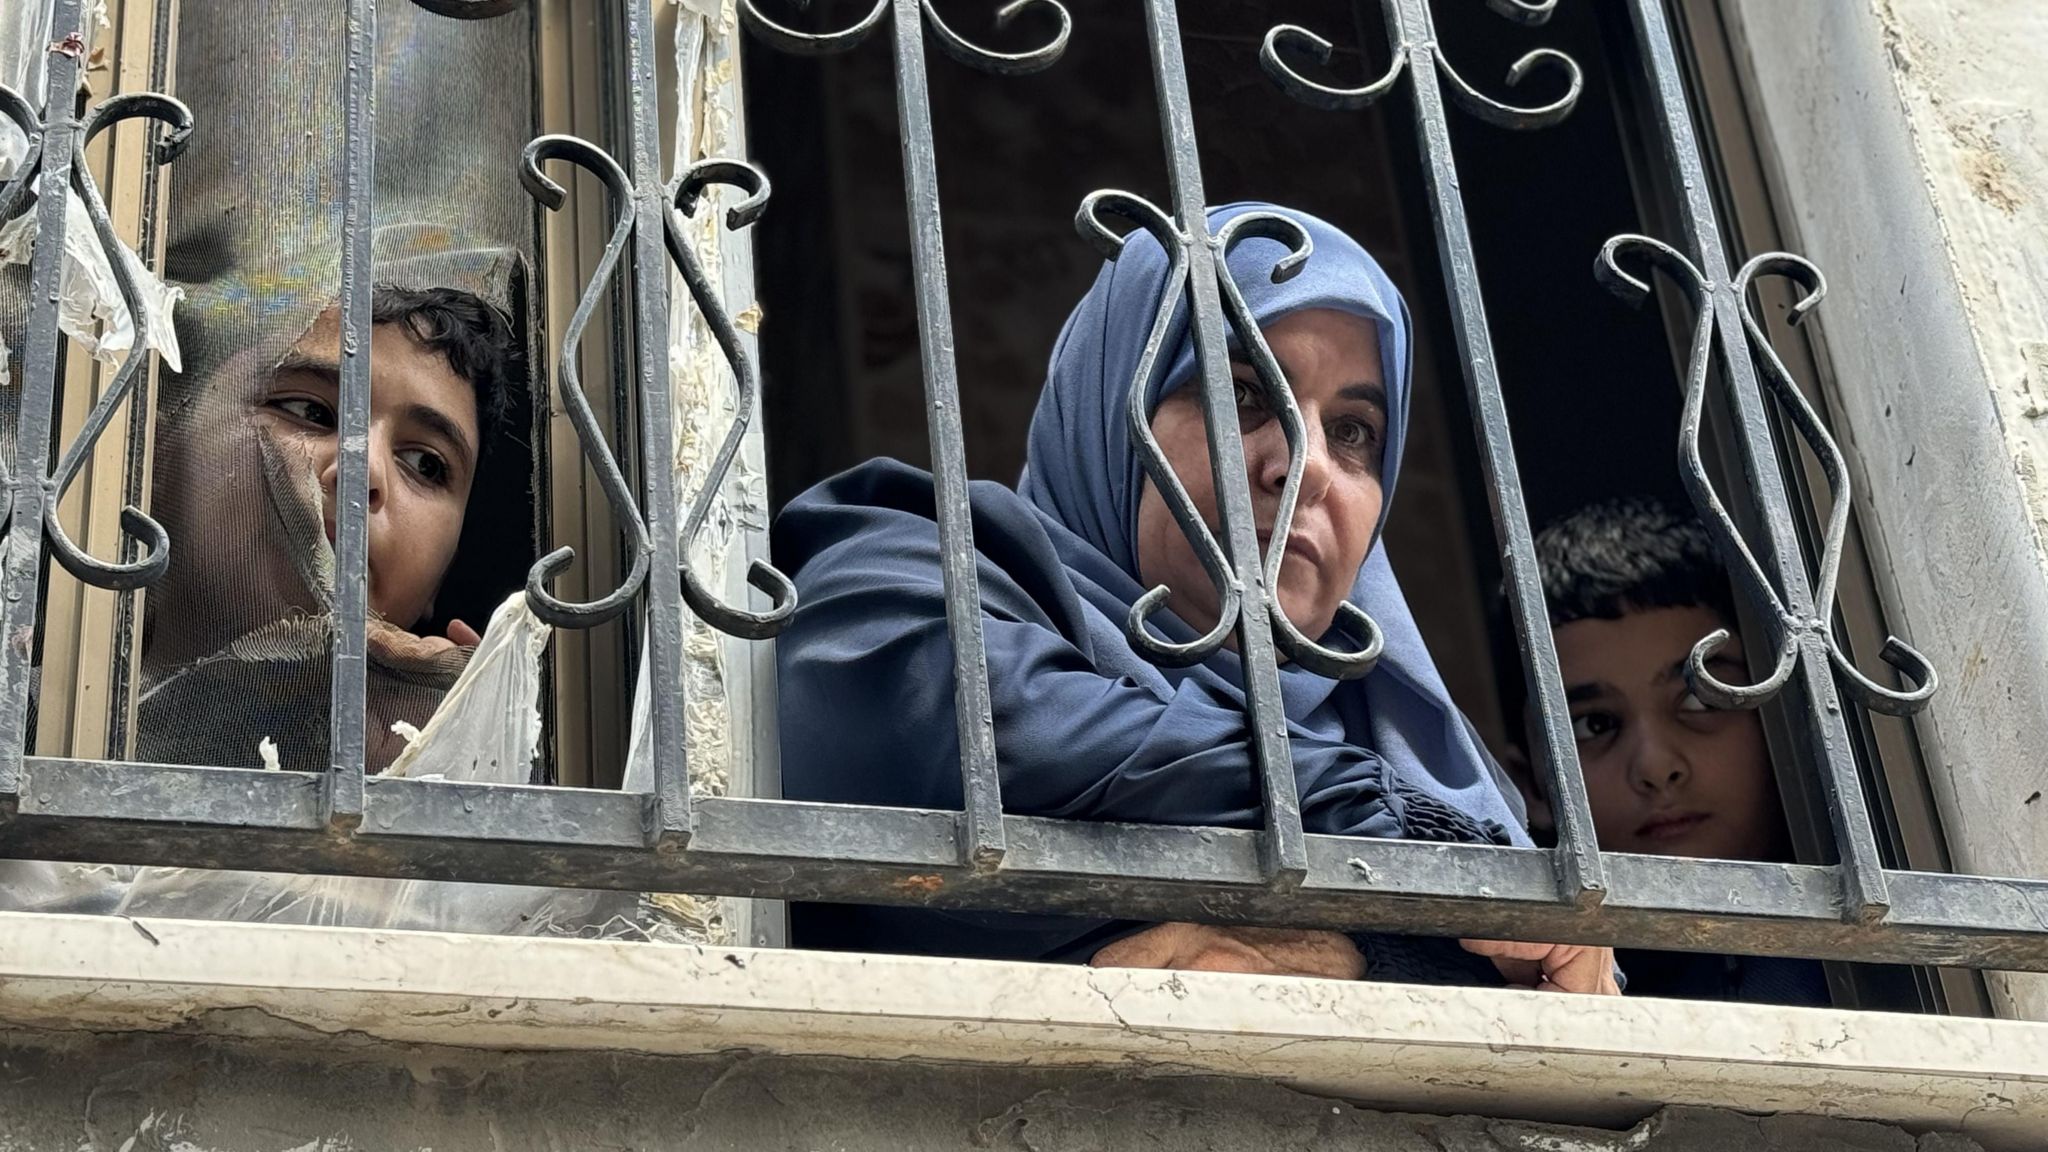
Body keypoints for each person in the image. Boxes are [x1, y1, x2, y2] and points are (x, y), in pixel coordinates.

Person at [772, 201, 1618, 994]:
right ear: (1107, 411)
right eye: (1241, 394)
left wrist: (1355, 951)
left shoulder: (1421, 757)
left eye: (1353, 431)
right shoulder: (909, 566)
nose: (1306, 466)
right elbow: (974, 735)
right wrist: (1379, 826)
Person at [1508, 496, 1829, 1004]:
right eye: (1595, 724)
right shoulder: (1535, 989)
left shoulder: (1881, 976)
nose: (1656, 767)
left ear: (1784, 721)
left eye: (1702, 699)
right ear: (1530, 786)